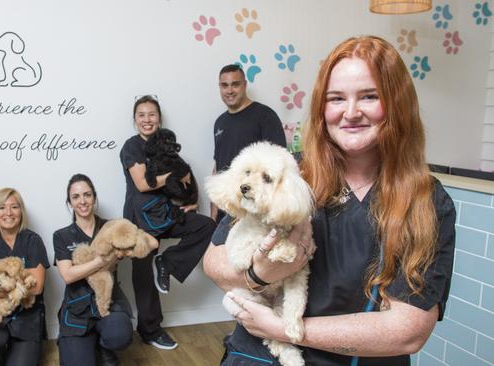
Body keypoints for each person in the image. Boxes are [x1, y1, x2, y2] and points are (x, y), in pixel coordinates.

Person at [204, 35, 456, 365]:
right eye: (336, 98)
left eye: (370, 96)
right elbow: (214, 261)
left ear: (397, 103)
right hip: (259, 356)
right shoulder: (285, 171)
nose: (350, 112)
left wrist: (286, 329)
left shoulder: (426, 201)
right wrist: (258, 275)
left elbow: (408, 330)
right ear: (322, 108)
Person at [119, 95, 216, 350]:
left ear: (159, 119)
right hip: (140, 218)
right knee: (142, 275)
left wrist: (192, 199)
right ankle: (150, 330)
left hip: (167, 213)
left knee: (205, 226)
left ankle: (168, 263)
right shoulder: (131, 147)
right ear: (135, 120)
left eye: (151, 114)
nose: (147, 119)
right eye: (142, 115)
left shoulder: (167, 142)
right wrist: (175, 175)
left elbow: (186, 172)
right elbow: (142, 183)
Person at [54, 174, 145, 366]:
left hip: (109, 300)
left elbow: (146, 243)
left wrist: (130, 247)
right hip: (77, 306)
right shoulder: (61, 236)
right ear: (69, 202)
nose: (82, 201)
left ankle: (105, 346)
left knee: (118, 336)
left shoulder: (112, 226)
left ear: (94, 198)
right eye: (76, 197)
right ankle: (87, 345)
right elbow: (68, 276)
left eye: (87, 195)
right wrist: (100, 261)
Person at [0, 188, 49, 366]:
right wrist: (16, 285)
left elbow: (37, 287)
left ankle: (18, 349)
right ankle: (0, 351)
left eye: (14, 207)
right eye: (1, 207)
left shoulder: (33, 240)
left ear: (21, 212)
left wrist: (0, 286)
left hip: (27, 317)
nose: (8, 213)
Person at [212, 64, 287, 223]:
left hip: (253, 211)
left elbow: (280, 167)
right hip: (226, 208)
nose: (230, 90)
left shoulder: (265, 116)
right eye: (224, 85)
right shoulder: (219, 122)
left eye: (235, 84)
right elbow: (217, 167)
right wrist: (214, 210)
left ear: (245, 85)